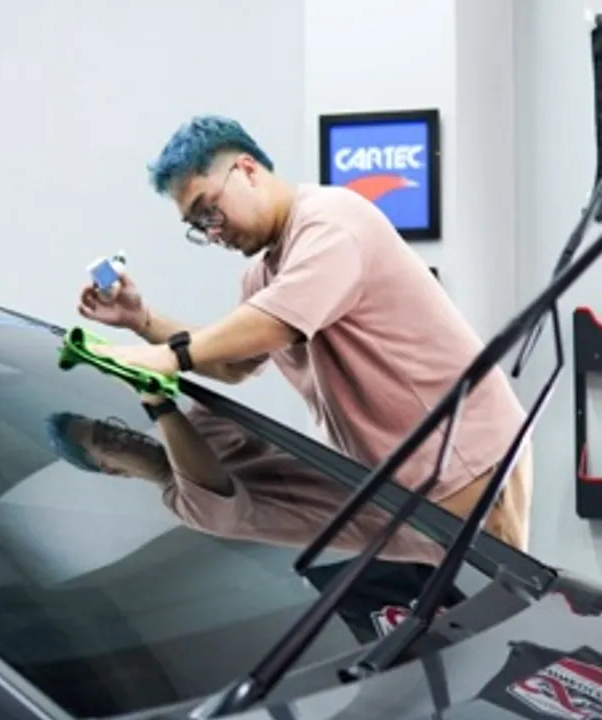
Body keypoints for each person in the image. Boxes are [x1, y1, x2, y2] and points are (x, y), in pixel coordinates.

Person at [77, 114, 533, 554]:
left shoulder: (331, 221)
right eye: (197, 226)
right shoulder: (262, 272)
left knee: (509, 598)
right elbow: (233, 363)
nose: (212, 233)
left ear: (247, 171)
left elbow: (276, 322)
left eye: (208, 211)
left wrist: (169, 358)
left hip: (471, 467)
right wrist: (142, 320)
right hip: (400, 488)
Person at [46, 391, 466, 643]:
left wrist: (149, 334)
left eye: (110, 425)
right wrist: (160, 406)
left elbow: (231, 368)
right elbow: (207, 482)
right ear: (111, 471)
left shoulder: (197, 431)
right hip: (419, 547)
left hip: (428, 499)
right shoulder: (189, 506)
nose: (121, 433)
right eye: (106, 442)